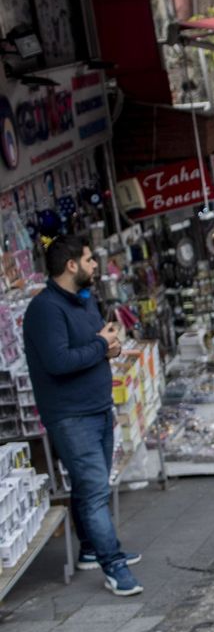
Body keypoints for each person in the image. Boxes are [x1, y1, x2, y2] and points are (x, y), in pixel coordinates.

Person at [22, 235, 142, 597]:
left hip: (98, 408)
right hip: (71, 416)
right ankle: (114, 565)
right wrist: (100, 347)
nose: (95, 266)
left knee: (90, 486)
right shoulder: (45, 310)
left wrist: (111, 345)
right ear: (71, 265)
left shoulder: (83, 302)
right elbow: (58, 362)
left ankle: (90, 550)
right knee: (93, 493)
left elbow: (94, 345)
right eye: (89, 260)